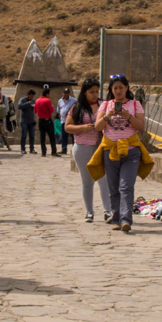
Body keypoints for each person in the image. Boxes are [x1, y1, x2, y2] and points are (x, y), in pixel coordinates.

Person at [92, 72, 149, 233]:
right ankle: (115, 218)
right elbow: (97, 127)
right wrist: (107, 116)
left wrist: (128, 116)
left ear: (126, 88)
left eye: (121, 88)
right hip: (110, 151)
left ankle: (126, 219)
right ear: (111, 89)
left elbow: (141, 126)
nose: (118, 91)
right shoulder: (105, 105)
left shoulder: (135, 104)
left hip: (131, 152)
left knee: (126, 186)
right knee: (113, 187)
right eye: (115, 88)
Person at [64, 79, 104, 221]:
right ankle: (89, 211)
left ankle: (108, 211)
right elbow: (68, 127)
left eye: (97, 92)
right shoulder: (76, 107)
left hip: (101, 146)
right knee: (87, 181)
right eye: (91, 92)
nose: (95, 95)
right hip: (82, 147)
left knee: (104, 179)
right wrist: (83, 127)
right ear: (84, 92)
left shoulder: (103, 105)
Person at [33, 88, 56, 157]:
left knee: (42, 137)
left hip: (40, 120)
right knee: (51, 137)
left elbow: (35, 111)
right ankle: (53, 151)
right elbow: (51, 110)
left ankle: (43, 152)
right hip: (47, 120)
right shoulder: (47, 100)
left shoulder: (37, 101)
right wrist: (52, 107)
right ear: (47, 94)